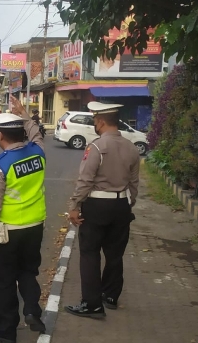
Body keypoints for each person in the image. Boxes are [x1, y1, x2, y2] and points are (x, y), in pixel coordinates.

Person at [64, 102, 140, 318]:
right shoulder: (132, 147)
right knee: (115, 254)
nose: (95, 124)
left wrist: (74, 206)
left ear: (101, 121)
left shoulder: (96, 147)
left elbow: (85, 180)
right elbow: (134, 183)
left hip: (97, 206)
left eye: (95, 120)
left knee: (89, 253)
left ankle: (92, 304)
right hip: (121, 206)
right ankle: (111, 296)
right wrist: (128, 204)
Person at [0, 110, 46, 342]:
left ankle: (6, 330)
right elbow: (36, 134)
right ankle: (31, 310)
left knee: (3, 281)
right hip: (35, 226)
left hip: (8, 232)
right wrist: (26, 116)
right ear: (21, 133)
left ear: (1, 136)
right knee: (28, 271)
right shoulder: (38, 153)